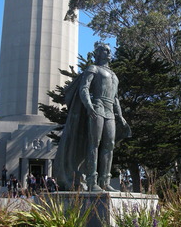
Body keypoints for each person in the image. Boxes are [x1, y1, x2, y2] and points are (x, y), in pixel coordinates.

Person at [54, 42, 131, 191]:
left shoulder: (114, 76)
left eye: (109, 50)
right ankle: (91, 181)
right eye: (104, 50)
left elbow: (115, 98)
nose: (108, 52)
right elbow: (84, 88)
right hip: (97, 107)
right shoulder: (93, 69)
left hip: (110, 112)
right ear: (98, 53)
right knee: (94, 143)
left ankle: (105, 182)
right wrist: (89, 106)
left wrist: (120, 116)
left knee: (109, 145)